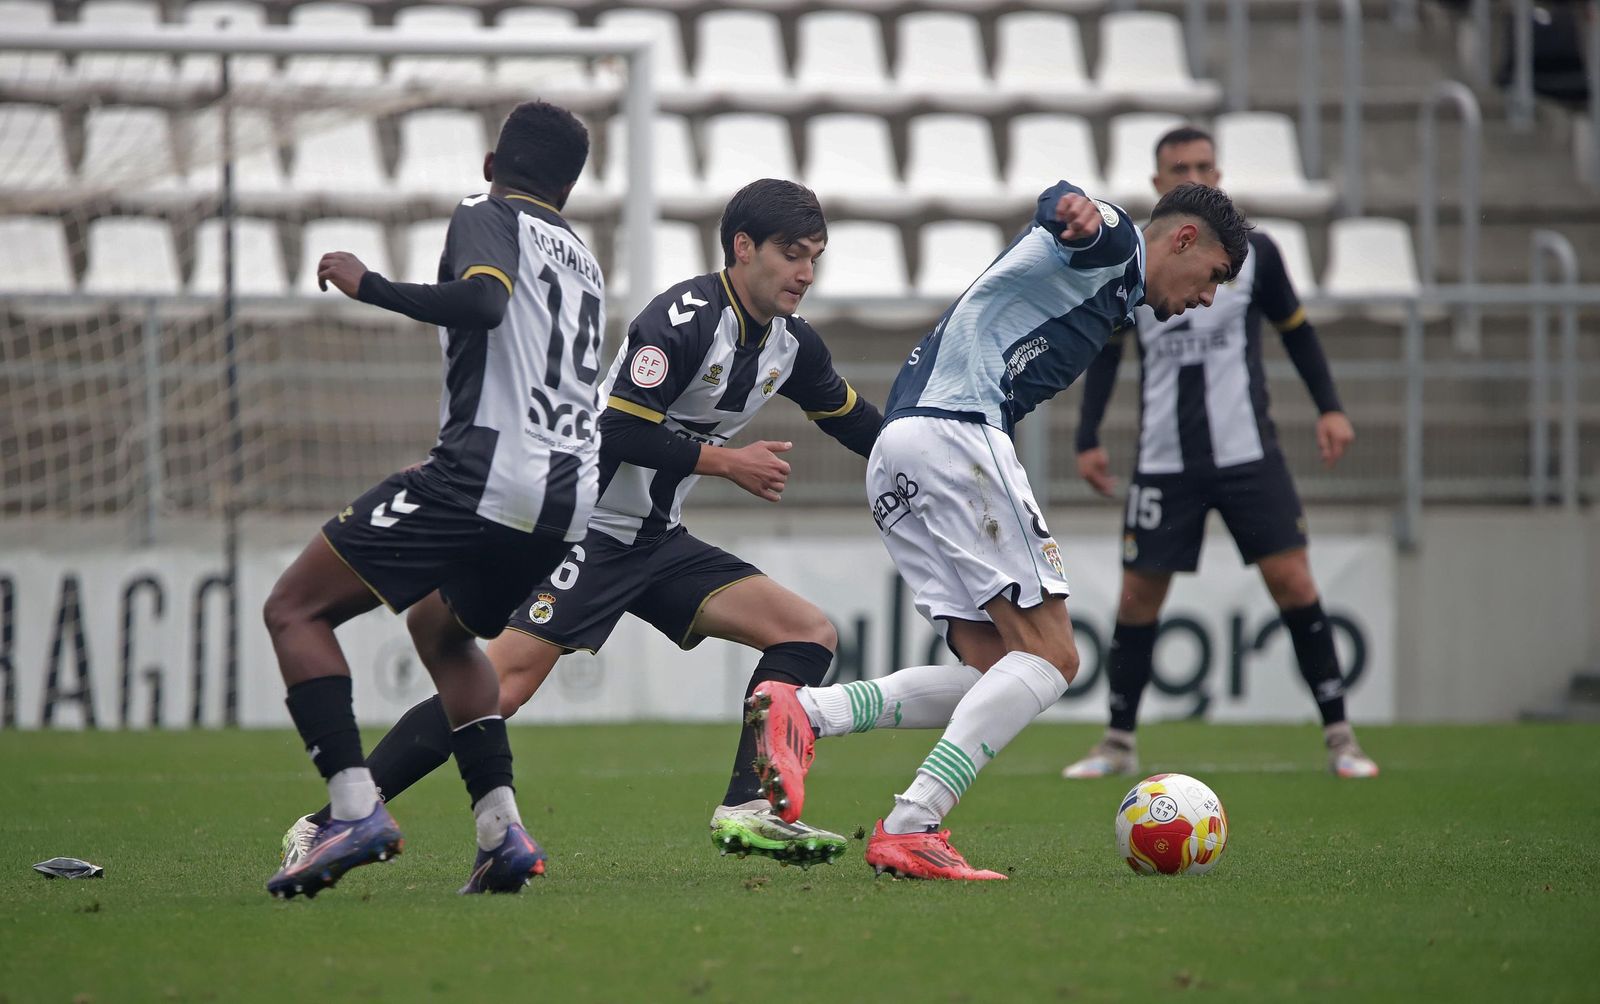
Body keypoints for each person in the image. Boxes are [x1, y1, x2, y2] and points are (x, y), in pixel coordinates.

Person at [279, 179, 883, 871]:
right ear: (743, 248)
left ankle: (747, 804)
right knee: (499, 687)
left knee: (806, 633)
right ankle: (332, 821)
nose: (806, 272)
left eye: (816, 256)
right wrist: (723, 461)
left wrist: (923, 451)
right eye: (792, 253)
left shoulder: (791, 347)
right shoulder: (684, 318)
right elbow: (617, 427)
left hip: (655, 540)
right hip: (587, 528)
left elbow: (857, 422)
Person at [747, 180, 1251, 880]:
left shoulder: (1115, 293)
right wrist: (1069, 208)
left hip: (900, 451)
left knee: (995, 670)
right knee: (1054, 658)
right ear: (1185, 240)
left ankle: (807, 711)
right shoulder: (1116, 246)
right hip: (956, 434)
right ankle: (911, 824)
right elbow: (1076, 211)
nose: (1209, 297)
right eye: (1215, 277)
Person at [262, 100, 603, 899]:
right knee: (438, 627)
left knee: (295, 610)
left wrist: (369, 285)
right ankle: (500, 831)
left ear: (492, 164)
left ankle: (353, 808)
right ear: (570, 186)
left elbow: (484, 302)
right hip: (564, 503)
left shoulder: (487, 214)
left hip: (482, 477)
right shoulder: (583, 258)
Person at [1059, 125, 1379, 781]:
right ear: (1157, 184)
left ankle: (1341, 736)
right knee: (1137, 598)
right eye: (1180, 167)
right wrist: (1087, 435)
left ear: (1221, 172)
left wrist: (1331, 407)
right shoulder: (1139, 260)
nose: (1195, 176)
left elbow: (1297, 332)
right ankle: (1118, 741)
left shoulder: (1256, 254)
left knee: (1293, 583)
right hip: (1164, 457)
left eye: (1205, 164)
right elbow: (1107, 351)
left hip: (1248, 454)